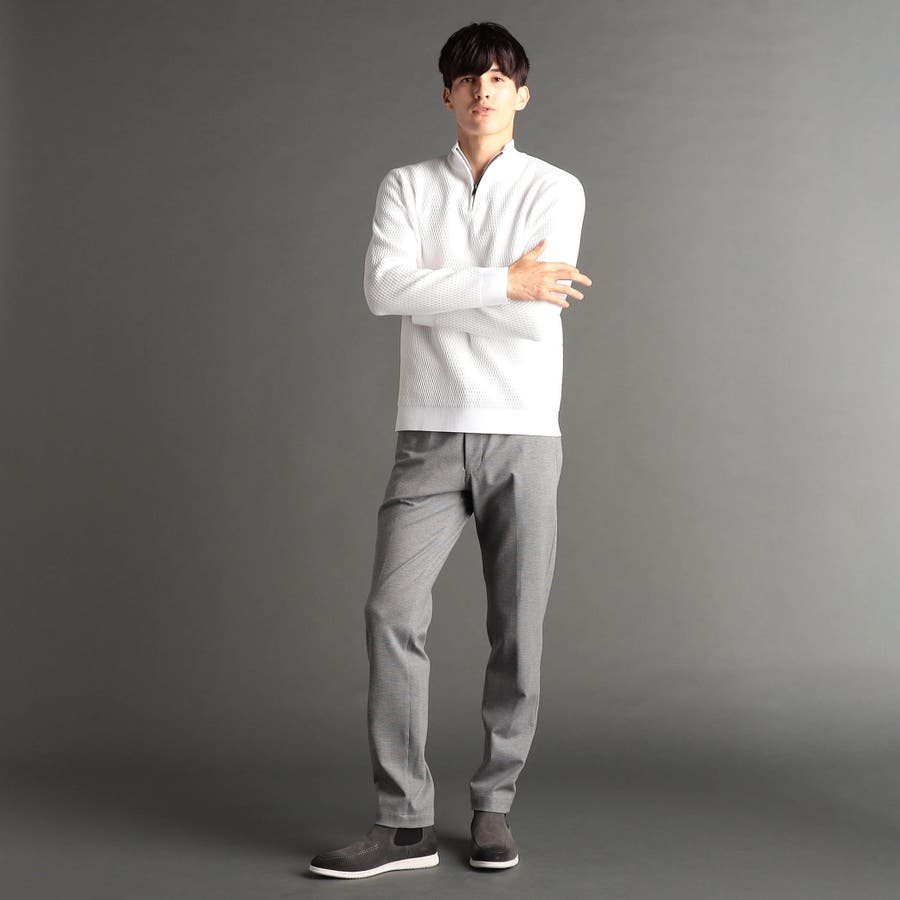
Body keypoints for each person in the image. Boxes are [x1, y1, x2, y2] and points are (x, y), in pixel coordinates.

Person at [309, 20, 590, 880]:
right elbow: (381, 288)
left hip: (523, 431)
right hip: (427, 431)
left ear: (521, 93)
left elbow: (536, 318)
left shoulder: (555, 188)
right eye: (468, 78)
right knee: (391, 613)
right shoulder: (406, 185)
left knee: (518, 631)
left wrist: (438, 293)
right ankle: (404, 823)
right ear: (446, 94)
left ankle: (494, 805)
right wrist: (505, 280)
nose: (483, 90)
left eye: (499, 77)